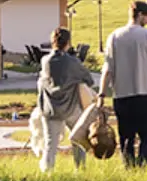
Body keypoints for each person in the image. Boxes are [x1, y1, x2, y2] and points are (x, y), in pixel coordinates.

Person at [101, 0, 147, 169]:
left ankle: (128, 167)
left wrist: (101, 95)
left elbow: (108, 69)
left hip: (121, 96)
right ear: (140, 15)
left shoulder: (114, 36)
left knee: (126, 136)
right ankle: (141, 164)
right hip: (143, 94)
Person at [30, 27, 97, 173]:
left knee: (50, 145)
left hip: (51, 109)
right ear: (68, 43)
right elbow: (89, 80)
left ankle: (48, 173)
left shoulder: (45, 61)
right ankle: (80, 170)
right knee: (79, 139)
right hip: (72, 107)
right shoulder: (73, 62)